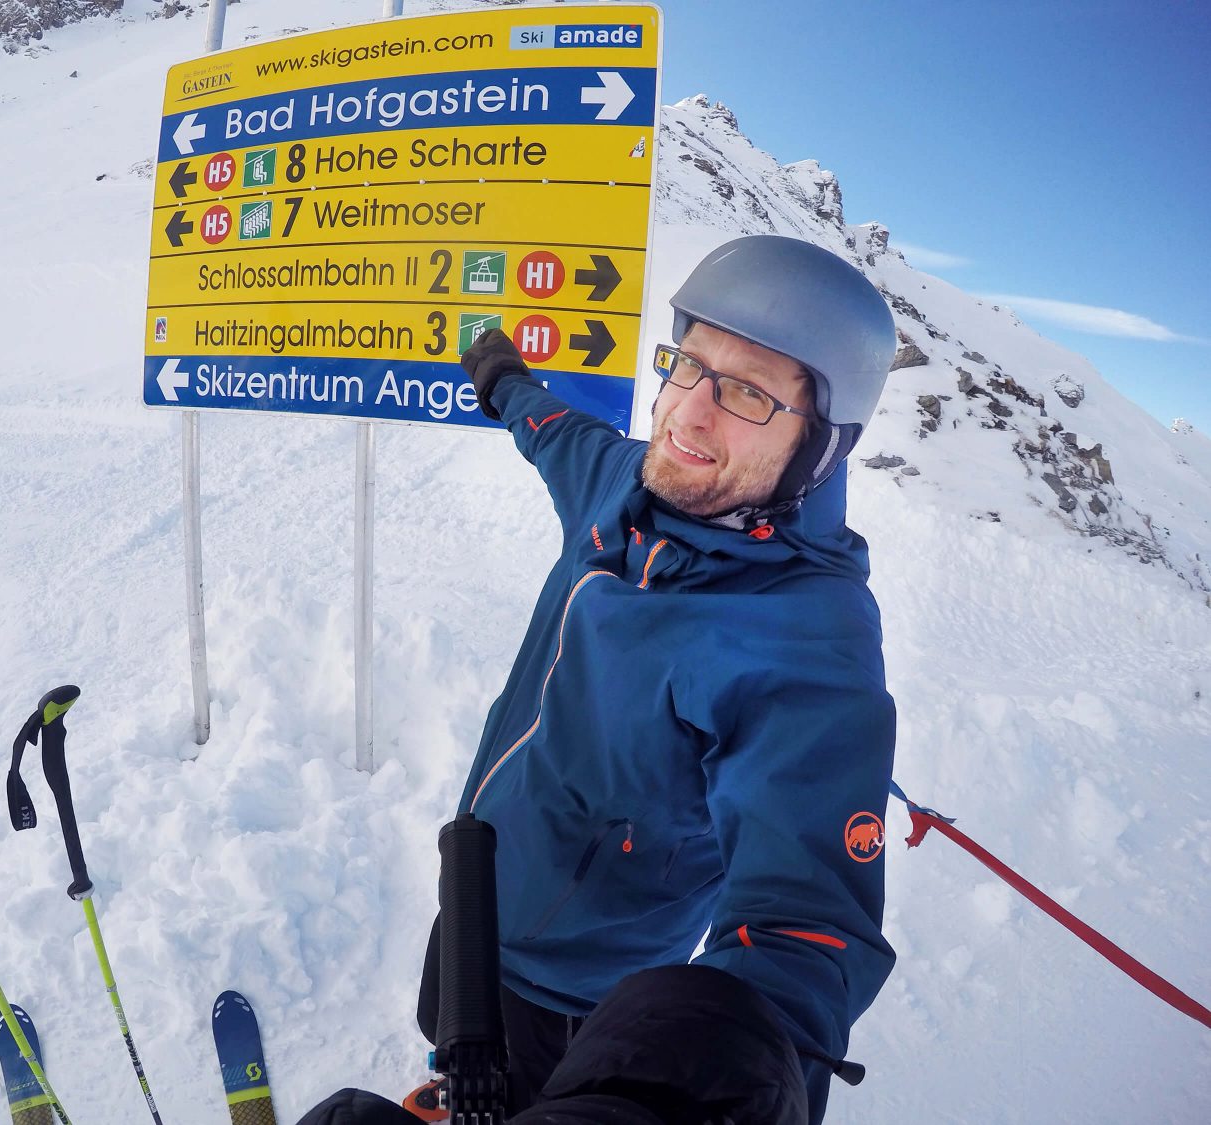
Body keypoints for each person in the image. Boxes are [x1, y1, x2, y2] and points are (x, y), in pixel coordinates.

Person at [301, 235, 899, 1125]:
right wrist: (501, 374)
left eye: (747, 392)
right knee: (451, 1027)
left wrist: (671, 1095)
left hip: (582, 981)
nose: (689, 415)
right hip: (482, 883)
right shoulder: (626, 484)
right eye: (690, 365)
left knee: (533, 1088)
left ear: (820, 444)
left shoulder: (805, 639)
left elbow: (803, 930)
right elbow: (554, 433)